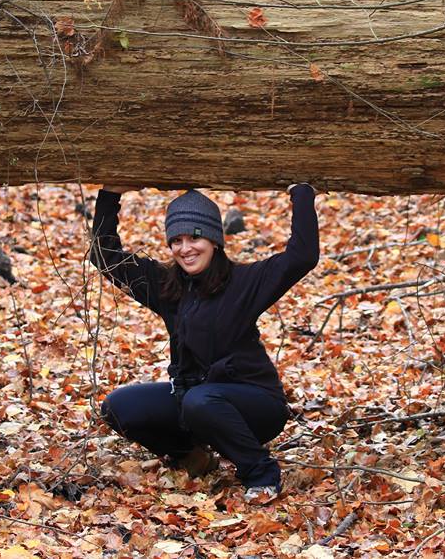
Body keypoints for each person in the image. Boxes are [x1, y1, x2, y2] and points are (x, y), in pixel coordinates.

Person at [89, 184, 319, 501]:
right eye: (176, 240)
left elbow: (302, 256)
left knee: (200, 400)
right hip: (194, 401)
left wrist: (302, 193)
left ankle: (261, 474)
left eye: (194, 237)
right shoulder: (165, 285)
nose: (185, 249)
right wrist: (110, 194)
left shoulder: (244, 282)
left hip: (257, 406)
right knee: (118, 407)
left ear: (214, 240)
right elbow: (104, 256)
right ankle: (191, 456)